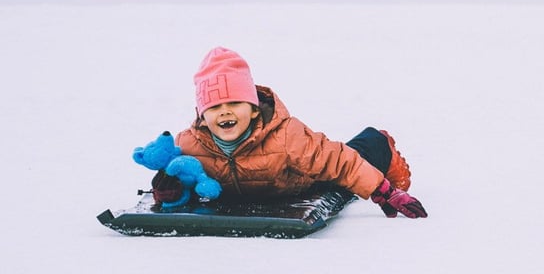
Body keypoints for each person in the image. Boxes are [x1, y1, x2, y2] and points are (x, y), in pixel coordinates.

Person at [149, 46, 426, 218]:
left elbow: (338, 161)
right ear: (202, 115)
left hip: (302, 182)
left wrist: (385, 192)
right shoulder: (188, 144)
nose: (224, 112)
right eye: (214, 106)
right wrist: (171, 192)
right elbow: (183, 176)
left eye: (235, 103)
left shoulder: (284, 136)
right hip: (250, 193)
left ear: (255, 109)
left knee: (340, 166)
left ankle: (379, 143)